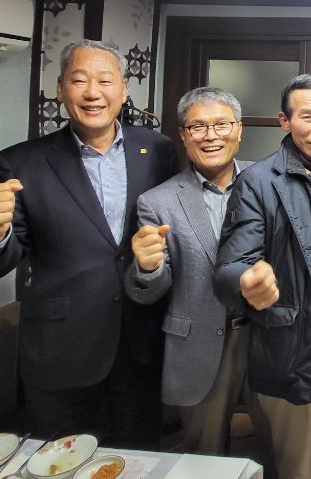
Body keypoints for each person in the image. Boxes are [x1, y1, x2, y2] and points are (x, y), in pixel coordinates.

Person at [0, 39, 177, 447]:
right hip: (61, 350)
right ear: (60, 89)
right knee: (56, 461)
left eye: (105, 81)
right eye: (79, 80)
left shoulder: (158, 150)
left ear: (124, 90)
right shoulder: (19, 163)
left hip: (140, 347)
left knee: (138, 458)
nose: (93, 92)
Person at [213, 74, 311, 479]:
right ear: (284, 120)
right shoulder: (259, 181)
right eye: (307, 117)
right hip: (294, 338)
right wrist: (246, 282)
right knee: (296, 461)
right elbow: (229, 266)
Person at [123, 87, 271, 458]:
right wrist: (148, 266)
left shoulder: (269, 180)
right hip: (198, 342)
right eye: (198, 127)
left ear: (239, 129)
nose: (211, 136)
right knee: (203, 454)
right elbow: (151, 291)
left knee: (276, 447)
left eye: (221, 124)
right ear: (184, 135)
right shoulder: (157, 202)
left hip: (267, 335)